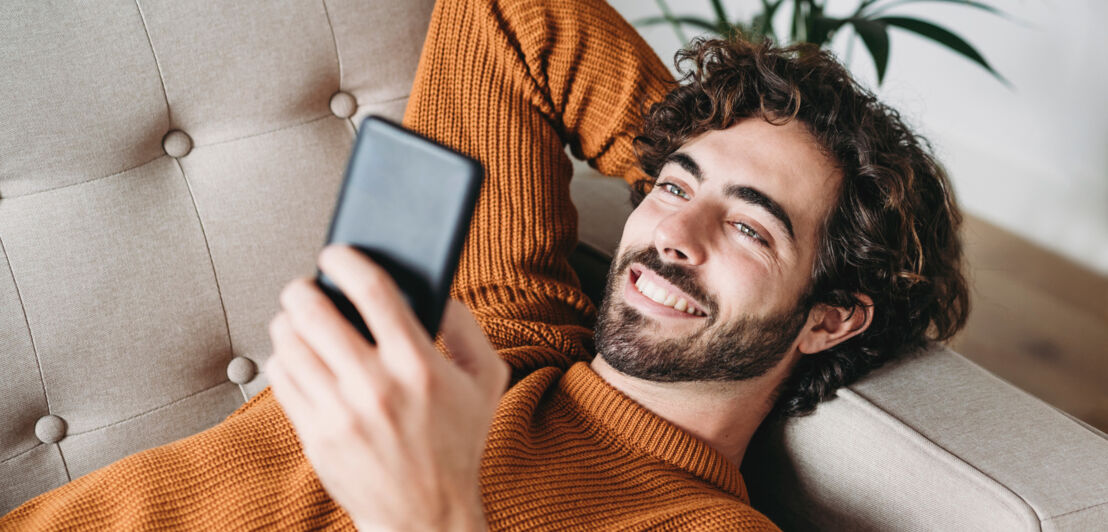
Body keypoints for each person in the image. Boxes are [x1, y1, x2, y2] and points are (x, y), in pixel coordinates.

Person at [0, 0, 967, 528]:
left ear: (832, 316)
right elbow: (509, 14)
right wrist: (709, 163)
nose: (675, 234)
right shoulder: (502, 322)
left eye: (753, 229)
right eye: (670, 187)